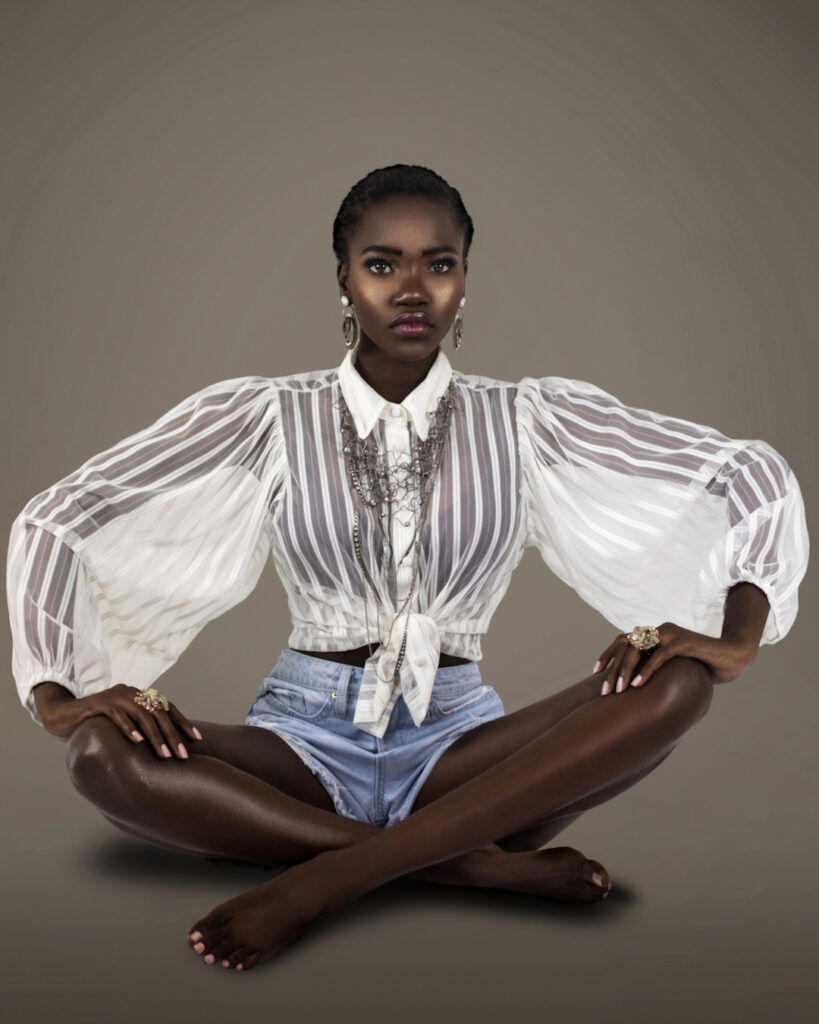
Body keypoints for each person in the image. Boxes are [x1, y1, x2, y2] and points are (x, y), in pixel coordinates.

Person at [7, 164, 808, 973]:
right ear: (343, 279)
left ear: (464, 278)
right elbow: (62, 518)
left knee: (675, 683)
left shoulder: (526, 419)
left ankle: (320, 878)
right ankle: (473, 866)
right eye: (382, 264)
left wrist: (735, 641)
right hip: (300, 743)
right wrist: (55, 697)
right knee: (100, 753)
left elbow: (740, 473)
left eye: (439, 263)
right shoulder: (267, 415)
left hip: (463, 754)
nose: (413, 289)